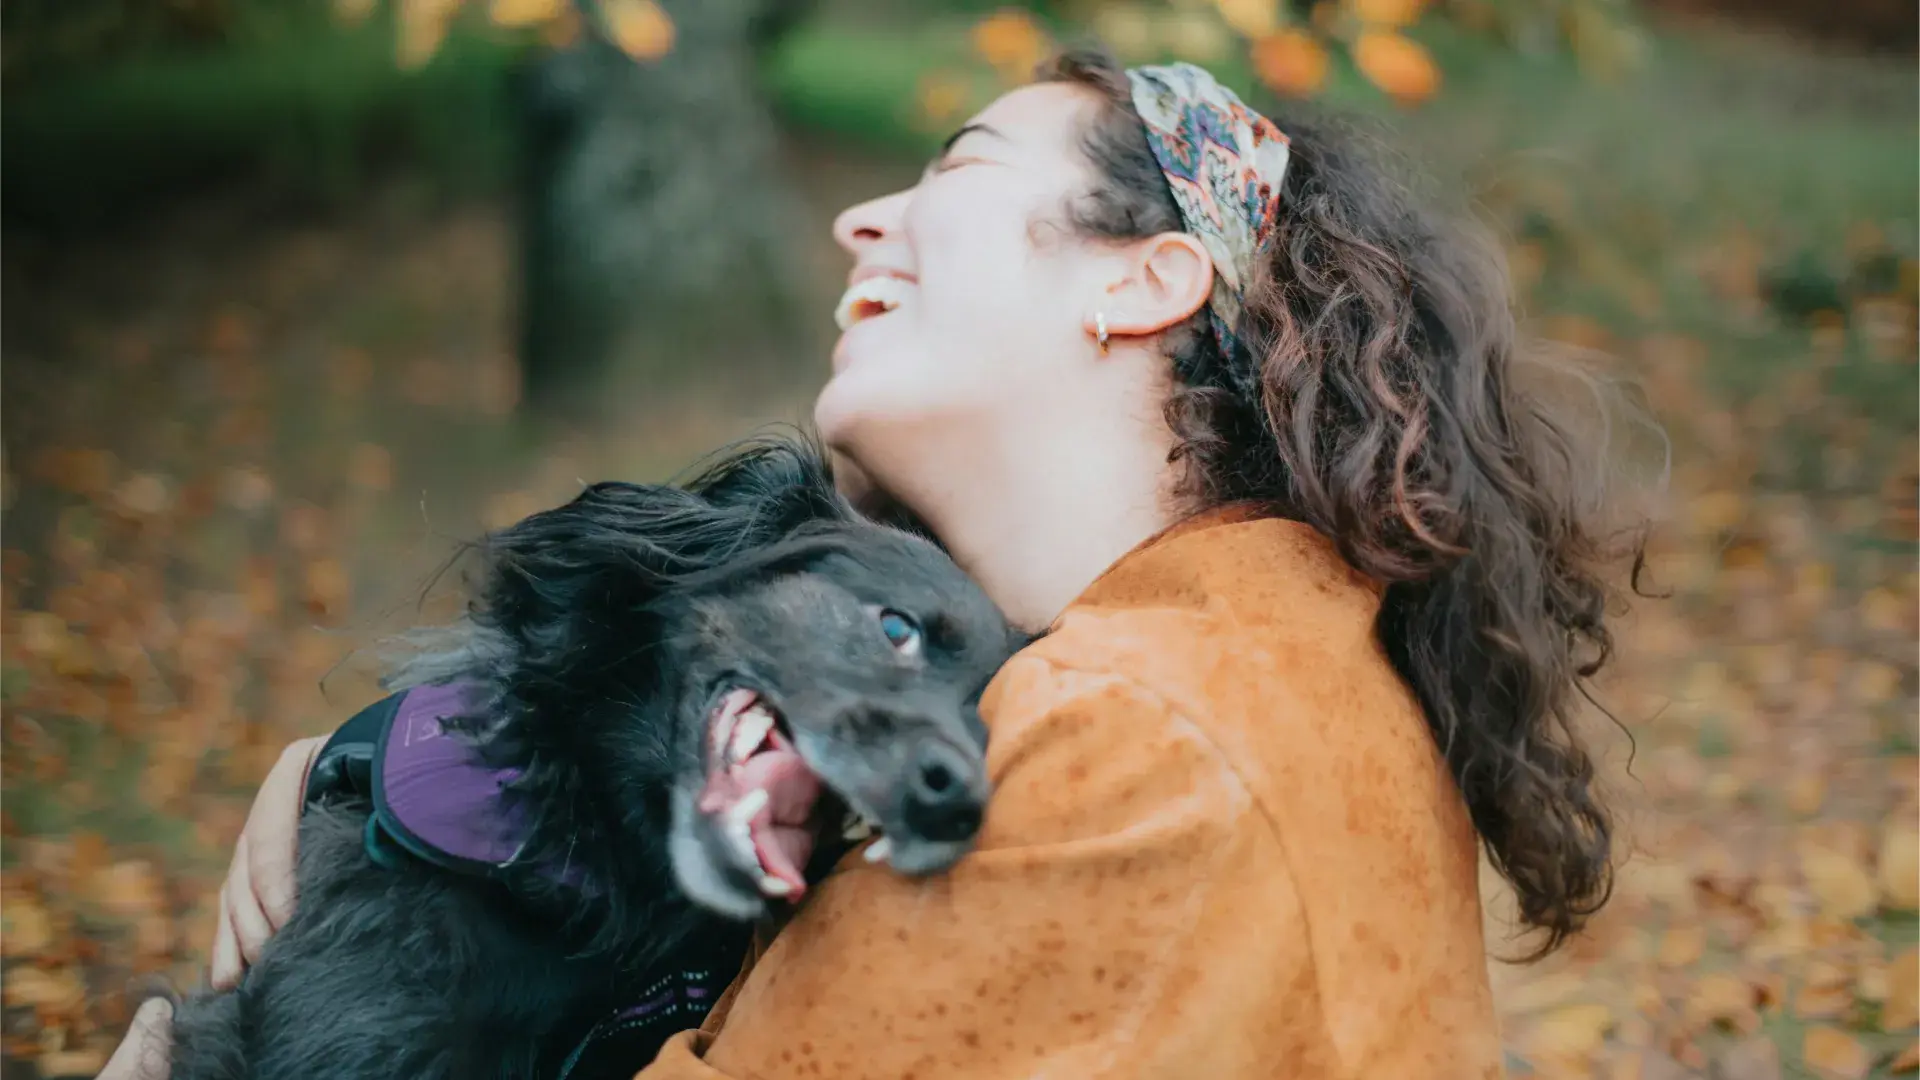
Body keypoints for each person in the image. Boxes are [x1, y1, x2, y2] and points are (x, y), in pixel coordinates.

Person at [103, 48, 1646, 1079]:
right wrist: (389, 786)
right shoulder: (1206, 661)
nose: (859, 217)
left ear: (1146, 280)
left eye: (959, 168)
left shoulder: (1138, 740)